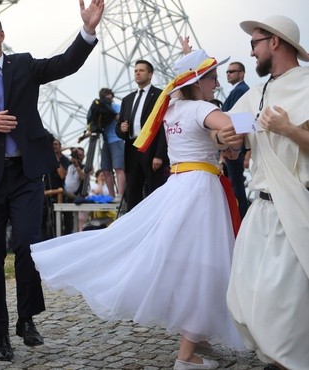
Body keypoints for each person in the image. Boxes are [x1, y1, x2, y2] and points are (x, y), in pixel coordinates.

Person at [31, 49, 246, 370]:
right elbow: (230, 126)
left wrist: (219, 139)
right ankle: (186, 358)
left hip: (179, 184)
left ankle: (196, 335)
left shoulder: (172, 108)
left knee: (185, 260)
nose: (217, 83)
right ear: (198, 80)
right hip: (201, 188)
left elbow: (211, 135)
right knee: (206, 265)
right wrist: (255, 118)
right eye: (213, 77)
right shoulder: (202, 107)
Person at [0, 1, 104, 361]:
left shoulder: (25, 65)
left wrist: (87, 31)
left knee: (30, 246)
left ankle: (27, 319)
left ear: (1, 35)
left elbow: (65, 64)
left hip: (26, 173)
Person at [226, 15, 309, 370]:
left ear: (275, 42)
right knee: (242, 298)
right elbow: (236, 133)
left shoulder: (306, 86)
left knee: (282, 307)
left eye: (255, 43)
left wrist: (288, 129)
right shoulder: (257, 93)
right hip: (259, 210)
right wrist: (225, 140)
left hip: (294, 206)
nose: (251, 51)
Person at [116, 59, 169, 211]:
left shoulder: (160, 96)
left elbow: (163, 127)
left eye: (142, 70)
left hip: (151, 150)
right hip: (132, 150)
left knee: (155, 191)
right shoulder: (127, 99)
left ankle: (156, 227)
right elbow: (118, 128)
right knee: (132, 193)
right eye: (135, 70)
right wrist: (122, 128)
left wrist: (159, 154)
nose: (137, 73)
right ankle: (134, 228)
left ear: (150, 74)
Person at [221, 61, 250, 218]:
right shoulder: (238, 90)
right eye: (227, 71)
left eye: (232, 71)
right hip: (235, 147)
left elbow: (239, 120)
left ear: (242, 73)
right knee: (235, 183)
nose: (228, 74)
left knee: (236, 185)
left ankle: (239, 217)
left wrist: (236, 148)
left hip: (234, 147)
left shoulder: (240, 90)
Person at [95, 88, 125, 198]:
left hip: (117, 139)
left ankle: (120, 195)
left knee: (119, 168)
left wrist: (110, 112)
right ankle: (111, 196)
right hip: (106, 141)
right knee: (106, 170)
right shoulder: (101, 108)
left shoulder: (116, 107)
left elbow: (121, 119)